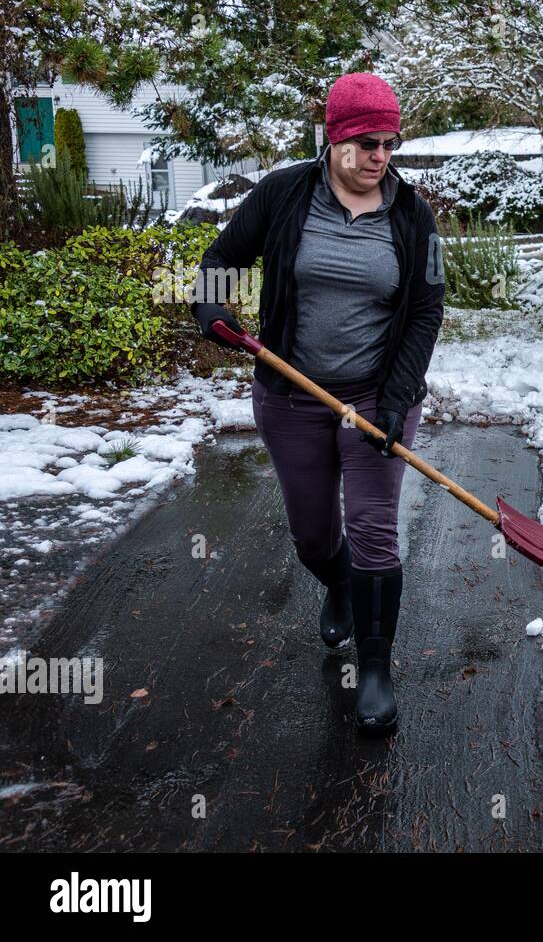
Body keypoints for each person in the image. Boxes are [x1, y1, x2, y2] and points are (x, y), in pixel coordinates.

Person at [189, 72, 445, 736]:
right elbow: (221, 256)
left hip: (374, 397)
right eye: (365, 143)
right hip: (293, 394)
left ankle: (378, 667)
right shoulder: (282, 194)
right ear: (334, 141)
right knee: (311, 536)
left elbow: (425, 312)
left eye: (389, 142)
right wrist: (210, 303)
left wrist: (394, 403)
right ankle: (335, 581)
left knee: (372, 526)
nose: (379, 155)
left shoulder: (412, 216)